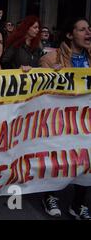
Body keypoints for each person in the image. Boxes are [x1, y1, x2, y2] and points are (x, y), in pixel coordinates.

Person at [39, 18, 91, 220]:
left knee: (86, 159)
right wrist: (50, 76)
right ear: (70, 35)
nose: (88, 33)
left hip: (86, 122)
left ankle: (78, 204)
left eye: (89, 29)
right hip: (62, 121)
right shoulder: (52, 58)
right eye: (82, 30)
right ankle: (50, 195)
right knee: (59, 158)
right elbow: (37, 90)